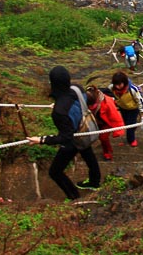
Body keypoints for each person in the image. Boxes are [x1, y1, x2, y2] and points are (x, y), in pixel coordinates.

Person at [26, 66, 101, 198]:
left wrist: (42, 140)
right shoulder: (77, 88)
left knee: (55, 172)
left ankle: (74, 197)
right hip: (85, 129)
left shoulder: (59, 112)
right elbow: (82, 101)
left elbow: (66, 137)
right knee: (87, 151)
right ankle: (95, 181)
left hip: (72, 140)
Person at [85, 85, 125, 161]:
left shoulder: (107, 102)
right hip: (95, 121)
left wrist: (118, 131)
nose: (90, 106)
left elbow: (115, 117)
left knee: (103, 138)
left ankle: (107, 152)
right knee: (101, 138)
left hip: (106, 122)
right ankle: (107, 149)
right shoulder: (86, 100)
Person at [108, 71, 143, 147]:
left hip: (133, 109)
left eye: (119, 84)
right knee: (126, 123)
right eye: (116, 84)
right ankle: (133, 127)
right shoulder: (112, 88)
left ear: (124, 82)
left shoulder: (132, 89)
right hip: (122, 108)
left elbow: (139, 100)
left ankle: (131, 140)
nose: (118, 86)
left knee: (129, 125)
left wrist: (142, 112)